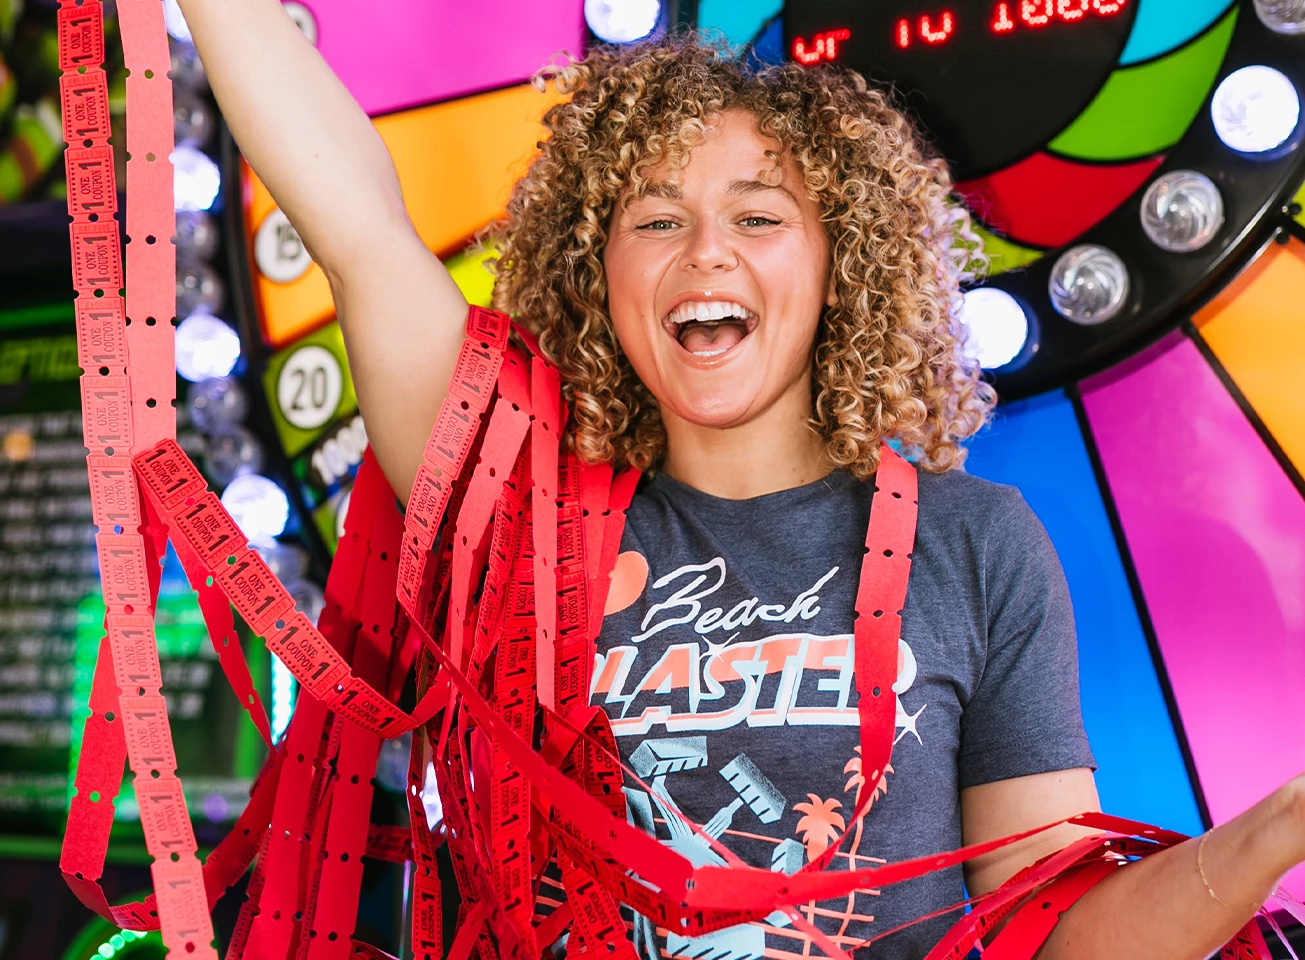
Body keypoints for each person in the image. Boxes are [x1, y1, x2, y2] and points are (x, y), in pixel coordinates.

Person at [178, 3, 1305, 958]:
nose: (704, 251)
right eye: (655, 218)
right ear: (596, 273)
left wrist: (1278, 829)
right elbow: (359, 227)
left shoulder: (976, 543)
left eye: (759, 217)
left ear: (839, 268)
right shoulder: (518, 507)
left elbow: (1056, 929)